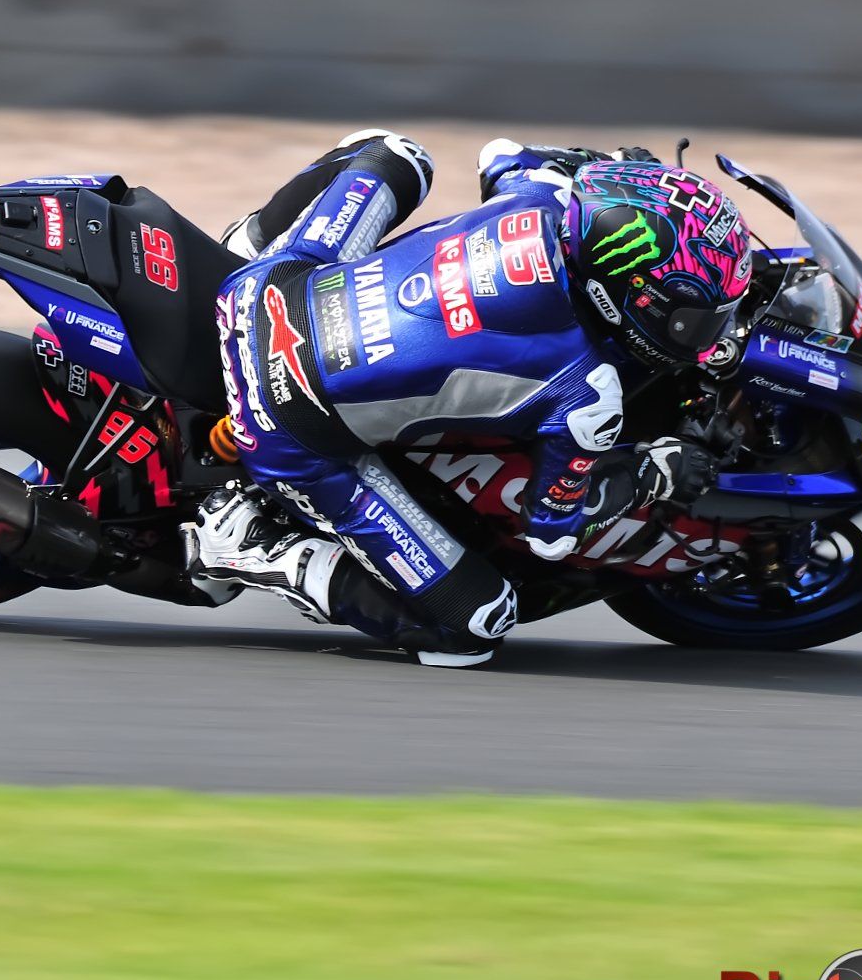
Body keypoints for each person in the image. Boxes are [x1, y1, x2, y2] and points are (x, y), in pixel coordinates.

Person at [186, 131, 752, 667]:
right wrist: (658, 472)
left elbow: (501, 153)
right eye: (691, 321)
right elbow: (551, 534)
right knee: (475, 626)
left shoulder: (543, 192)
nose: (705, 335)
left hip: (266, 286)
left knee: (396, 154)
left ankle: (239, 249)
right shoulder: (587, 392)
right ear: (620, 294)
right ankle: (250, 544)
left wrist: (616, 173)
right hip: (289, 423)